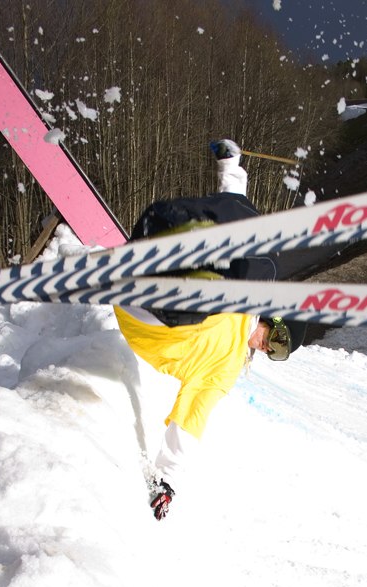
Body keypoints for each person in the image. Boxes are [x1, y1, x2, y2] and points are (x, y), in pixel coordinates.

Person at [114, 139, 307, 520]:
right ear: (273, 319)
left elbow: (190, 418)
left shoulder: (226, 369)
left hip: (154, 316)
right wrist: (230, 169)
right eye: (273, 340)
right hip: (148, 263)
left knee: (253, 270)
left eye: (273, 353)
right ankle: (175, 228)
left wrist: (166, 479)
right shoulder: (250, 294)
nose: (266, 348)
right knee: (260, 255)